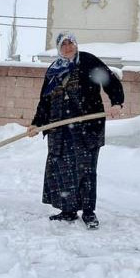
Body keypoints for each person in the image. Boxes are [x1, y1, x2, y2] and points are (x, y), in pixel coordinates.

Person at [27, 31, 124, 230]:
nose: (68, 47)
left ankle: (88, 212)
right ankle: (68, 209)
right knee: (62, 169)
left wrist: (116, 102)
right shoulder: (54, 69)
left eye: (71, 43)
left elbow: (110, 80)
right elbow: (45, 100)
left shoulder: (87, 61)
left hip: (85, 128)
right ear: (58, 48)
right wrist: (37, 123)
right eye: (63, 44)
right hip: (59, 129)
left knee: (85, 169)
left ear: (76, 44)